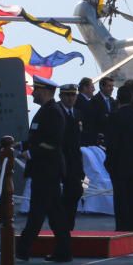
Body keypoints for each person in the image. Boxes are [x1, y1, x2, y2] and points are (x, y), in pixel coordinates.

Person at [17, 76, 71, 262]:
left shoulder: (52, 113)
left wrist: (31, 153)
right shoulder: (45, 112)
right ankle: (64, 251)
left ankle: (22, 248)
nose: (33, 92)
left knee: (38, 211)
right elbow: (38, 138)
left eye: (36, 90)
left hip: (47, 170)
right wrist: (20, 146)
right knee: (54, 213)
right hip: (45, 170)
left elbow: (53, 143)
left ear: (45, 91)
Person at [105, 86, 133, 236]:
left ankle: (122, 229)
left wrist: (109, 162)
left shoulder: (113, 117)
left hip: (118, 163)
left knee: (120, 198)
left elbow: (111, 143)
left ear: (118, 99)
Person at [58, 84, 86, 231]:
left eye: (73, 95)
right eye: (67, 95)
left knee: (75, 193)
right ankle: (63, 228)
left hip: (74, 162)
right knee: (62, 199)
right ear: (61, 96)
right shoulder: (57, 112)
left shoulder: (77, 113)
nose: (70, 98)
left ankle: (69, 227)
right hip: (60, 160)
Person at [86, 75, 116, 146]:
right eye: (109, 86)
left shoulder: (113, 101)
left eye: (112, 86)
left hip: (111, 140)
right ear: (102, 87)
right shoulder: (94, 101)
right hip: (99, 141)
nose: (112, 89)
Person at [74, 77, 97, 146]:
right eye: (92, 87)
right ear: (85, 88)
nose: (94, 89)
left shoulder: (85, 101)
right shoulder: (80, 101)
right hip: (84, 140)